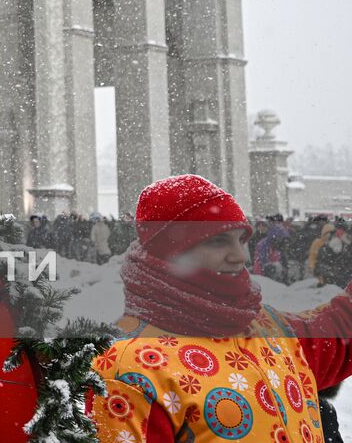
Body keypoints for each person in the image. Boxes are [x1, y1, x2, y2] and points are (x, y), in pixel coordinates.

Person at [91, 174, 352, 442]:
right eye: (218, 241)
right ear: (171, 252)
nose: (240, 256)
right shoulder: (127, 368)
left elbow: (340, 334)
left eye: (241, 240)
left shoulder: (264, 325)